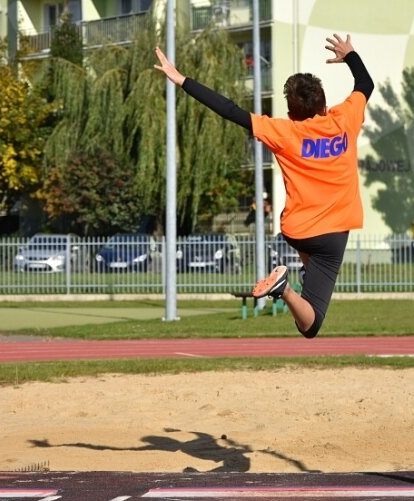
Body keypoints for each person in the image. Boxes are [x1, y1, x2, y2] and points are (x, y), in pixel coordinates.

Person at [154, 33, 373, 338]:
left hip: (298, 232)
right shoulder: (345, 118)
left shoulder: (283, 132)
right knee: (311, 324)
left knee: (310, 288)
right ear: (324, 106)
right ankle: (284, 288)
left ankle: (297, 277)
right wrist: (349, 54)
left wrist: (181, 79)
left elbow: (230, 110)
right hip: (334, 232)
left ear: (290, 113)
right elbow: (365, 84)